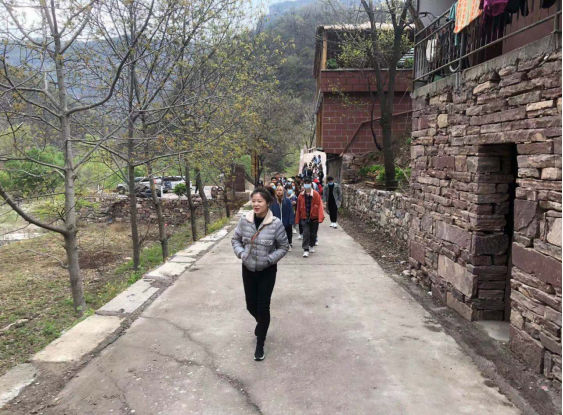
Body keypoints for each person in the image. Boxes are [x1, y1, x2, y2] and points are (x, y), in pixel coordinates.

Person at [232, 189, 290, 361]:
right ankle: (261, 322)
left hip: (267, 271)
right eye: (254, 201)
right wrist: (241, 254)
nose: (256, 204)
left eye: (260, 201)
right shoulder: (244, 221)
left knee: (263, 307)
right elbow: (235, 240)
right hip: (248, 269)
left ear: (268, 203)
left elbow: (283, 246)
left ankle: (260, 343)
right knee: (251, 305)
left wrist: (270, 259)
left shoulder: (276, 224)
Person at [295, 177, 324, 258]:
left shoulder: (316, 194)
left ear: (311, 184)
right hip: (304, 218)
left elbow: (320, 206)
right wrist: (297, 219)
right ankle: (305, 249)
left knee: (313, 234)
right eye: (305, 183)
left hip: (314, 218)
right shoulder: (301, 195)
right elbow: (298, 208)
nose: (307, 184)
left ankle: (311, 245)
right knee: (306, 233)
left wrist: (320, 217)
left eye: (308, 183)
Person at [271, 185, 296, 252]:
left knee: (288, 233)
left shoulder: (287, 200)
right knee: (276, 234)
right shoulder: (273, 201)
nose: (279, 192)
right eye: (277, 190)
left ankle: (289, 244)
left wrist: (291, 220)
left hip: (286, 220)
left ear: (283, 191)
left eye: (280, 190)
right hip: (276, 221)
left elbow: (291, 211)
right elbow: (271, 211)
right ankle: (277, 246)